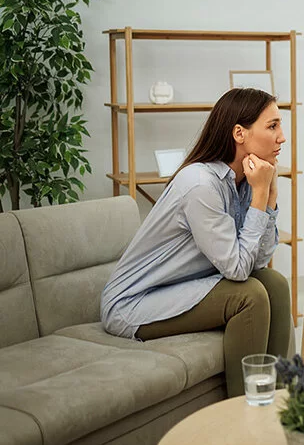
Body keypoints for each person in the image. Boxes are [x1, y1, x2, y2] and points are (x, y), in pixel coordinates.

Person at [101, 88, 292, 398]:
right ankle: (242, 415)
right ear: (239, 133)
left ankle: (279, 401)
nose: (282, 137)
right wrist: (260, 196)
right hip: (133, 304)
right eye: (272, 126)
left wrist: (268, 199)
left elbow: (258, 261)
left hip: (184, 286)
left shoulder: (243, 180)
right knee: (251, 295)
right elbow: (239, 270)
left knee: (275, 283)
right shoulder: (200, 185)